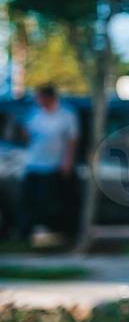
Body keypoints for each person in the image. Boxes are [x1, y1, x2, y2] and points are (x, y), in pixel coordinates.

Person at [17, 84, 79, 244]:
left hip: (53, 166)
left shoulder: (66, 115)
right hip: (34, 163)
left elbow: (72, 140)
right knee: (29, 200)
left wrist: (67, 162)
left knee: (51, 201)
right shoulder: (35, 114)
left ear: (49, 97)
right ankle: (26, 232)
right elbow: (26, 135)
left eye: (40, 97)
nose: (38, 100)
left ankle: (53, 231)